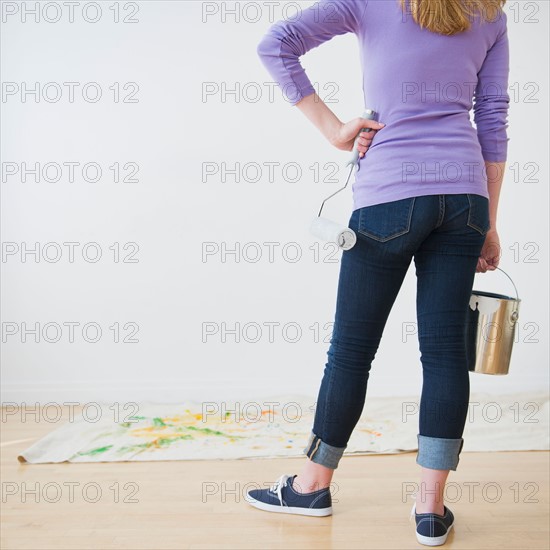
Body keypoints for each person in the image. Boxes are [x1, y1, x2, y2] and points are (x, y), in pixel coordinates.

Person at [246, 0, 509, 545]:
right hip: (464, 199)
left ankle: (311, 485)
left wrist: (334, 129)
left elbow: (277, 43)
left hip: (391, 196)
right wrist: (489, 220)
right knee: (443, 354)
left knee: (351, 350)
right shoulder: (489, 10)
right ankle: (430, 509)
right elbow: (493, 117)